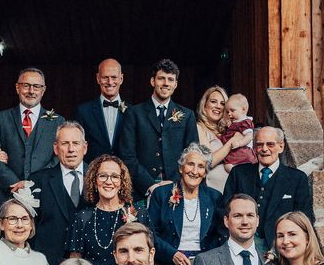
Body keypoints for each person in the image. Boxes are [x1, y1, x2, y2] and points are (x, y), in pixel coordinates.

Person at [66, 155, 152, 265]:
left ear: (121, 182)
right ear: (94, 180)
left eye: (114, 177)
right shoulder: (83, 217)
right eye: (103, 176)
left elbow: (149, 261)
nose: (108, 181)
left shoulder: (139, 215)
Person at [223, 126, 315, 251]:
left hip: (281, 249)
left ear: (281, 147)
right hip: (241, 246)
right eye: (259, 145)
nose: (264, 149)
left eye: (270, 144)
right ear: (254, 148)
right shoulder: (238, 173)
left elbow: (304, 217)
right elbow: (224, 211)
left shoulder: (297, 178)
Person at [118, 58, 198, 200]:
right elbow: (127, 155)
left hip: (177, 188)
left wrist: (175, 183)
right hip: (141, 189)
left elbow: (192, 154)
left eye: (170, 79)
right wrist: (149, 185)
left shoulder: (187, 115)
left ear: (176, 84)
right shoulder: (134, 113)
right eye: (161, 78)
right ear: (152, 81)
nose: (166, 83)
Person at [147, 143, 224, 265]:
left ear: (205, 172)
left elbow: (219, 235)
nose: (195, 171)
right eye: (190, 164)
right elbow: (150, 234)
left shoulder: (215, 197)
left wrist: (207, 260)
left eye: (201, 166)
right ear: (181, 167)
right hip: (168, 264)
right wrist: (172, 254)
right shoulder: (162, 194)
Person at [0, 67, 64, 206]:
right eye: (26, 85)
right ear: (17, 88)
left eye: (36, 86)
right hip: (8, 195)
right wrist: (15, 183)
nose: (31, 91)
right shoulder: (1, 118)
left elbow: (59, 158)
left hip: (44, 194)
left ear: (43, 90)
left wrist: (35, 183)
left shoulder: (58, 122)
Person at [30, 121, 90, 265]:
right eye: (65, 144)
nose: (71, 149)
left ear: (85, 147)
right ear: (56, 148)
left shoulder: (99, 179)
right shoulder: (38, 181)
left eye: (76, 143)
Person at [195, 86, 251, 193]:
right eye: (213, 102)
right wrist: (231, 142)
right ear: (204, 105)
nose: (218, 107)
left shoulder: (230, 129)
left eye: (222, 104)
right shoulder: (199, 128)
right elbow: (208, 162)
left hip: (239, 188)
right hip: (215, 190)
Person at [73, 58, 127, 161]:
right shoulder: (83, 111)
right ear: (98, 78)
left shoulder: (133, 112)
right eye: (105, 77)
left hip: (125, 173)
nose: (110, 82)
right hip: (91, 173)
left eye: (114, 77)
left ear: (121, 78)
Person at [219, 93, 256, 171]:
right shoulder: (234, 122)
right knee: (227, 166)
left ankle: (239, 174)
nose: (229, 114)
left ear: (243, 109)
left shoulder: (244, 122)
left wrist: (240, 143)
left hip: (242, 151)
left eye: (232, 110)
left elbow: (249, 136)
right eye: (228, 112)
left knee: (230, 166)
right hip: (233, 152)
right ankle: (237, 175)